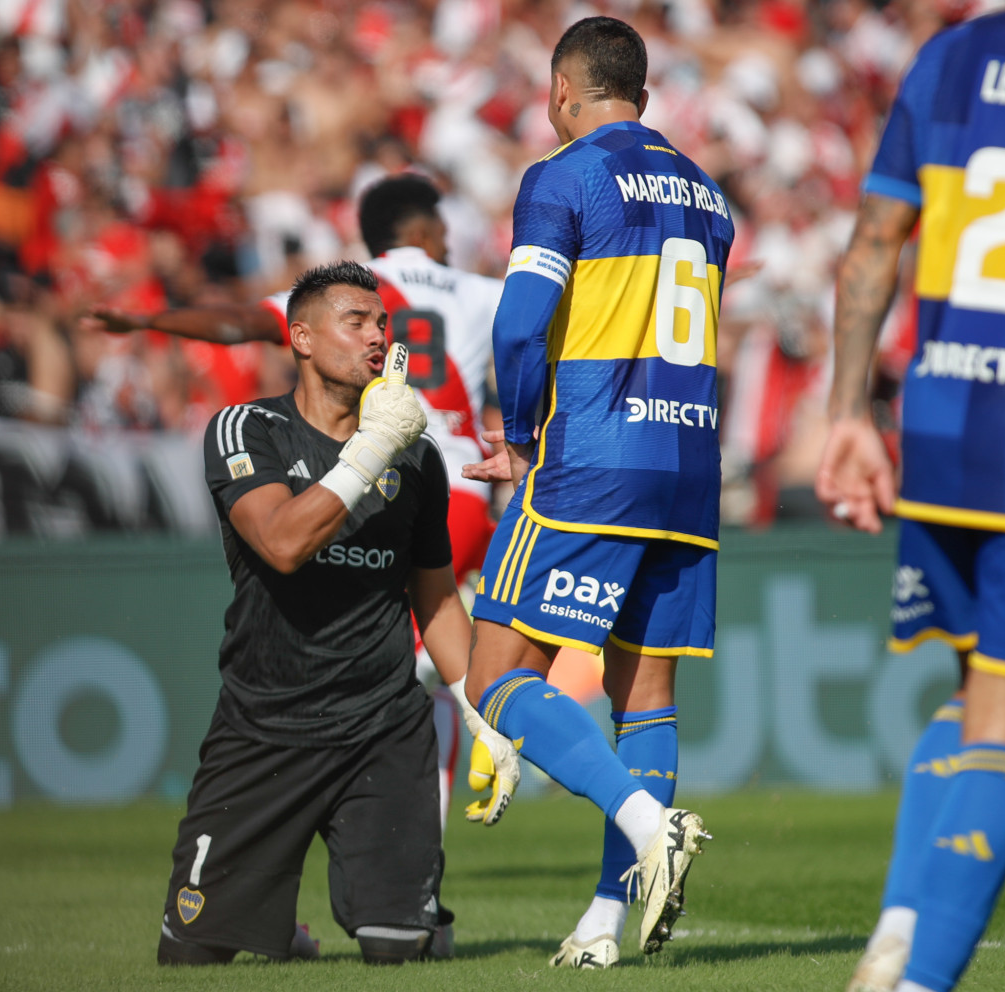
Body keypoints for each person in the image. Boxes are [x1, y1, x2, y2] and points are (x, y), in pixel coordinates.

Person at [89, 174, 504, 830]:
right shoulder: (485, 292)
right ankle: (455, 753)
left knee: (379, 659)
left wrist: (147, 319)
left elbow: (238, 324)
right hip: (463, 488)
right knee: (422, 654)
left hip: (382, 481)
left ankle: (436, 768)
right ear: (423, 233)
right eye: (443, 235)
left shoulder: (338, 295)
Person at [814, 4, 1005, 992]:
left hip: (936, 424)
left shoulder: (947, 56)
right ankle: (920, 978)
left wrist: (846, 411)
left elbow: (870, 243)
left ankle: (896, 924)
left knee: (973, 690)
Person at [460, 16, 732, 968]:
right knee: (644, 694)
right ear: (645, 98)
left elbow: (521, 325)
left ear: (560, 93)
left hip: (594, 457)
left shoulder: (563, 173)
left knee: (495, 677)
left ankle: (647, 821)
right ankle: (605, 924)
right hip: (690, 461)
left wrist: (521, 438)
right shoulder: (708, 191)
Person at [157, 261, 519, 966]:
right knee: (193, 960)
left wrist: (485, 714)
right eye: (356, 322)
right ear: (301, 337)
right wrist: (372, 446)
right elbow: (284, 544)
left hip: (381, 727)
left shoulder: (417, 459)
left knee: (399, 947)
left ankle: (381, 909)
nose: (379, 337)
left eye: (383, 324)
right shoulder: (246, 428)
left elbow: (438, 599)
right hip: (265, 726)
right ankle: (268, 924)